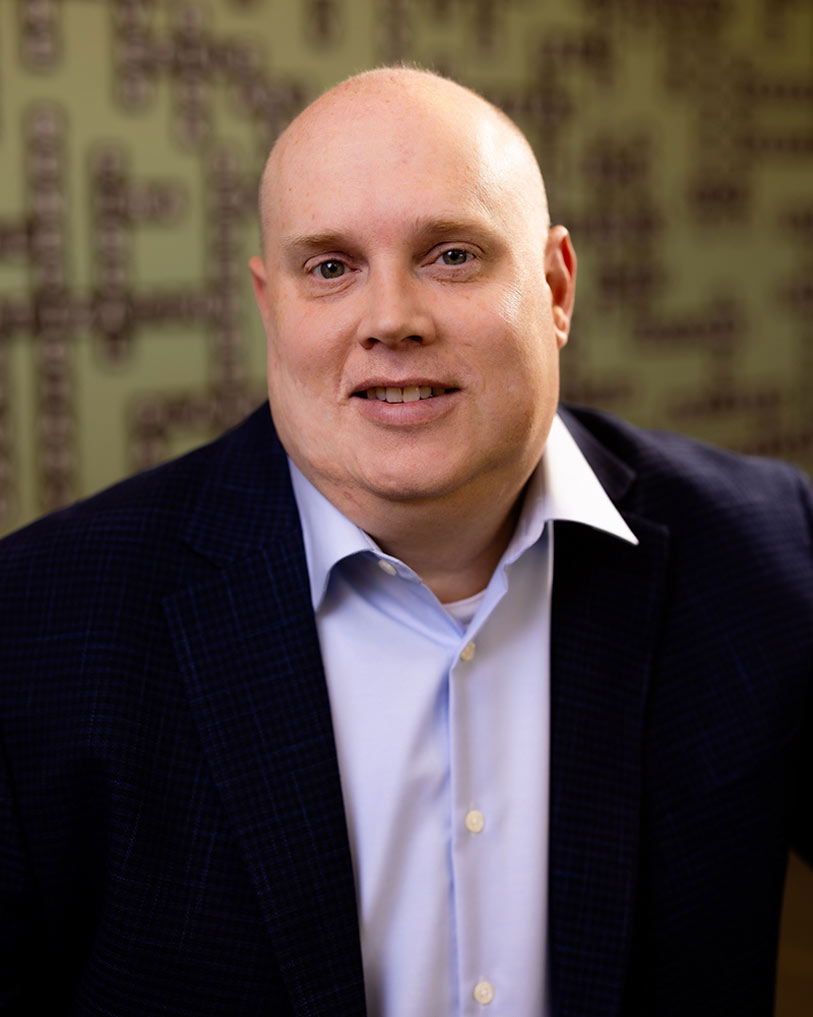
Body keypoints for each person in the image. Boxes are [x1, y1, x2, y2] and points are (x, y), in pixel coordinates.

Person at [0, 66, 811, 1017]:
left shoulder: (767, 550)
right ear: (271, 303)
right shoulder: (33, 626)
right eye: (331, 268)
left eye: (452, 255)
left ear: (553, 287)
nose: (390, 320)